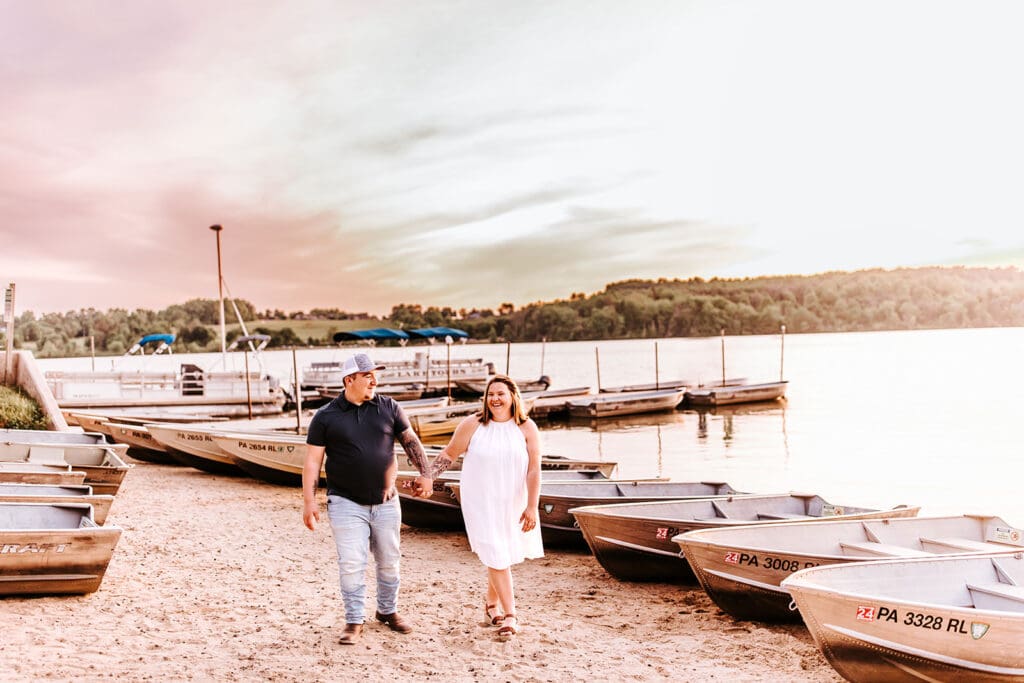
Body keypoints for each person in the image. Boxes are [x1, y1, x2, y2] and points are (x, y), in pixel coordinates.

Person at [302, 352, 435, 645]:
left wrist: (426, 474)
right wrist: (309, 502)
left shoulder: (389, 407)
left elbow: (411, 441)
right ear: (349, 380)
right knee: (352, 563)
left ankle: (387, 611)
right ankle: (354, 620)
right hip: (345, 503)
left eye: (375, 375)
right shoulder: (325, 416)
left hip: (387, 502)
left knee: (389, 561)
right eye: (367, 376)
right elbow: (312, 462)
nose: (374, 381)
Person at [429, 375, 543, 640]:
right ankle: (511, 615)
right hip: (479, 499)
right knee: (494, 549)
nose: (495, 399)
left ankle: (492, 605)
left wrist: (532, 506)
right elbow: (449, 454)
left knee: (501, 552)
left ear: (513, 396)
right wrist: (427, 476)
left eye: (501, 393)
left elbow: (534, 469)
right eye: (491, 394)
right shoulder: (473, 424)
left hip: (512, 499)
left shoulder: (527, 427)